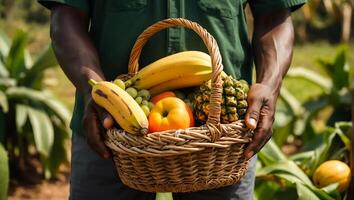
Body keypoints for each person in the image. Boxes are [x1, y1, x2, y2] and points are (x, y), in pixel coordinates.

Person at [38, 1, 306, 200]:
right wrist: (92, 90)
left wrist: (269, 85)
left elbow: (274, 14)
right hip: (109, 124)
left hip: (222, 134)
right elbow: (66, 14)